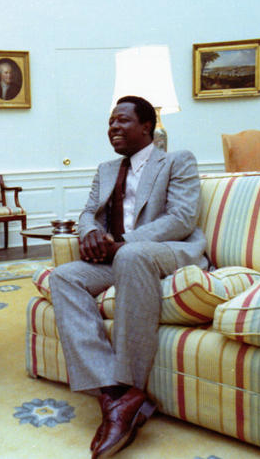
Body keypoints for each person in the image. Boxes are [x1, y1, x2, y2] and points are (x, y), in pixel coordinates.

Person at [49, 96, 207, 459]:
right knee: (63, 277)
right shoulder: (106, 169)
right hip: (117, 257)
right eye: (110, 122)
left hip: (163, 251)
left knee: (132, 255)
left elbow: (182, 218)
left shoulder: (177, 161)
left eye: (122, 121)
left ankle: (126, 387)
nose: (113, 128)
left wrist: (123, 243)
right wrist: (89, 234)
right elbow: (89, 211)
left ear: (146, 126)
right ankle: (118, 395)